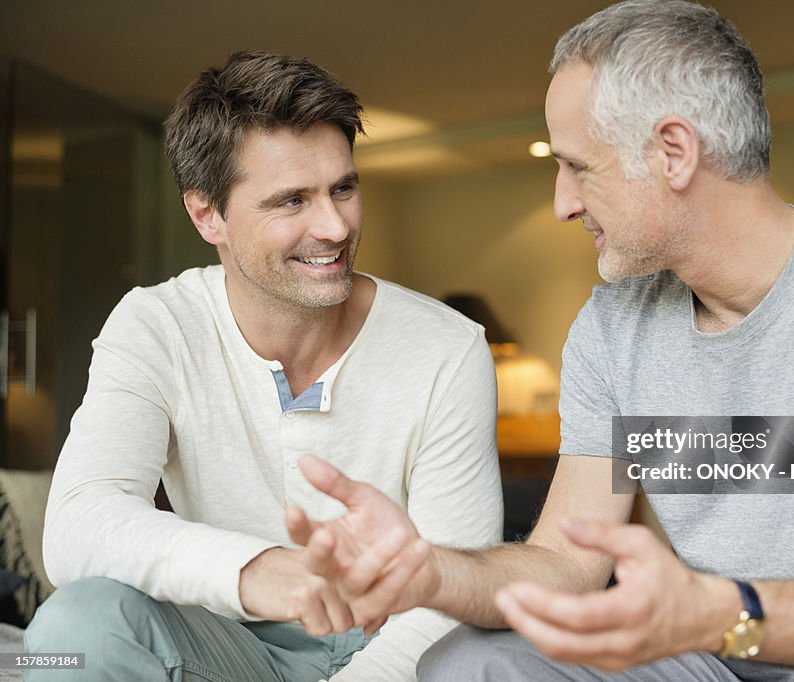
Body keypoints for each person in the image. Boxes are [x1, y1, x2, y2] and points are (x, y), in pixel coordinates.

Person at [285, 2, 794, 680]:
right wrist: (430, 572)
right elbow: (565, 563)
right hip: (707, 661)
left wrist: (712, 610)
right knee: (472, 661)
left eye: (577, 167)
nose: (562, 204)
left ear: (674, 151)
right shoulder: (611, 327)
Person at [24, 50, 503, 681]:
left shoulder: (449, 347)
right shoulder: (156, 325)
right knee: (69, 630)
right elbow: (79, 527)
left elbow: (455, 591)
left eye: (343, 188)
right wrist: (256, 570)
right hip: (225, 634)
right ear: (206, 215)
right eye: (291, 201)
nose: (333, 226)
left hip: (397, 645)